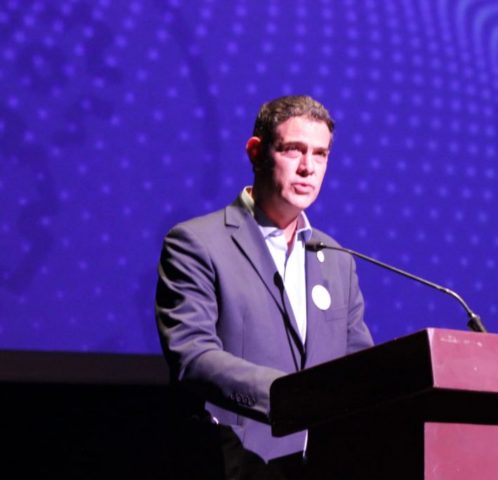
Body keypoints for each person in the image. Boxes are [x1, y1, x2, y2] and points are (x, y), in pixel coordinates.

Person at [155, 95, 374, 478]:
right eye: (293, 150)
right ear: (256, 152)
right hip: (239, 463)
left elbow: (360, 366)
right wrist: (290, 397)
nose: (308, 167)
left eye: (320, 154)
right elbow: (193, 356)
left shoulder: (336, 258)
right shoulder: (196, 243)